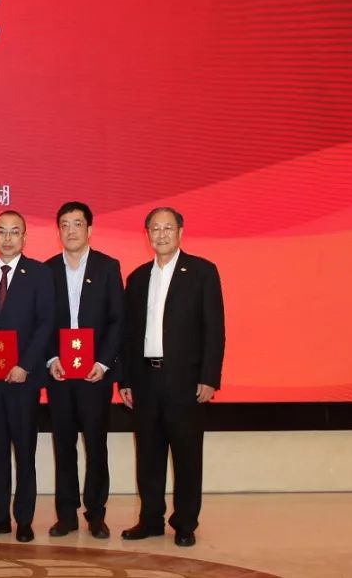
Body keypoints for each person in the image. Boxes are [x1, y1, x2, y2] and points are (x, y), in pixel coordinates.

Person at [119, 207, 225, 547]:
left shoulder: (202, 272)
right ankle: (150, 519)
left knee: (187, 455)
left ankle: (185, 523)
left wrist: (209, 377)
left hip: (186, 381)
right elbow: (128, 334)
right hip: (145, 380)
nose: (161, 234)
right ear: (147, 234)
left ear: (180, 232)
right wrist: (125, 380)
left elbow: (214, 329)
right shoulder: (137, 278)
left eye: (168, 228)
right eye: (155, 228)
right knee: (148, 454)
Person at [0, 210, 54, 542]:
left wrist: (26, 365)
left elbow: (45, 323)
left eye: (14, 231)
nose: (8, 238)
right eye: (2, 232)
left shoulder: (39, 273)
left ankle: (24, 520)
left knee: (24, 451)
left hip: (24, 380)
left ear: (24, 237)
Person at [43, 201, 123, 539]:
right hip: (60, 373)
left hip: (94, 375)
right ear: (58, 230)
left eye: (77, 224)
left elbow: (118, 320)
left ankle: (96, 514)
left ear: (89, 229)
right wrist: (51, 359)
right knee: (63, 446)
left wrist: (103, 363)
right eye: (64, 224)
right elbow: (42, 321)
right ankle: (66, 515)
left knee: (96, 446)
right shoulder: (47, 269)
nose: (71, 230)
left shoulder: (107, 267)